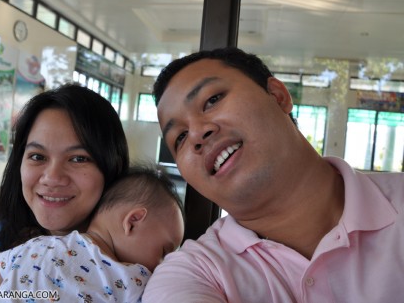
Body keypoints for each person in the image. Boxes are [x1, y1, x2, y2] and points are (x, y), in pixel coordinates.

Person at [142, 47, 404, 303]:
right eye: (180, 137)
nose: (197, 134)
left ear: (278, 96)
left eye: (212, 100)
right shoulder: (192, 273)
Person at [0, 83, 130, 302]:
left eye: (78, 158)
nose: (52, 178)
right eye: (37, 156)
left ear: (112, 166)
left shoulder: (130, 268)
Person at [0, 165, 184, 302]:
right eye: (164, 251)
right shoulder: (134, 278)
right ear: (132, 222)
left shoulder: (40, 244)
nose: (162, 264)